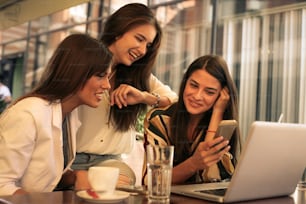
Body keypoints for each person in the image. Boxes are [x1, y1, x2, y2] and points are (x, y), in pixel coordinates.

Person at [72, 3, 177, 190]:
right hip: (70, 162)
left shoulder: (140, 77)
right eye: (139, 39)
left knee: (113, 192)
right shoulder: (83, 63)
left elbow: (175, 101)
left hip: (112, 166)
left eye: (148, 45)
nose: (143, 50)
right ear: (118, 31)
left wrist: (144, 98)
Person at [0, 34, 112, 196]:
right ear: (76, 72)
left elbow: (47, 176)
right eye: (101, 76)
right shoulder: (28, 113)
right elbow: (2, 184)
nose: (107, 85)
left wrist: (76, 175)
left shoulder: (68, 115)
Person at [143, 55, 241, 185]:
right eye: (194, 85)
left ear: (220, 96)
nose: (197, 96)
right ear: (185, 83)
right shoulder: (159, 119)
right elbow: (153, 181)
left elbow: (212, 177)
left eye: (209, 92)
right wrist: (193, 163)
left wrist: (218, 112)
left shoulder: (222, 125)